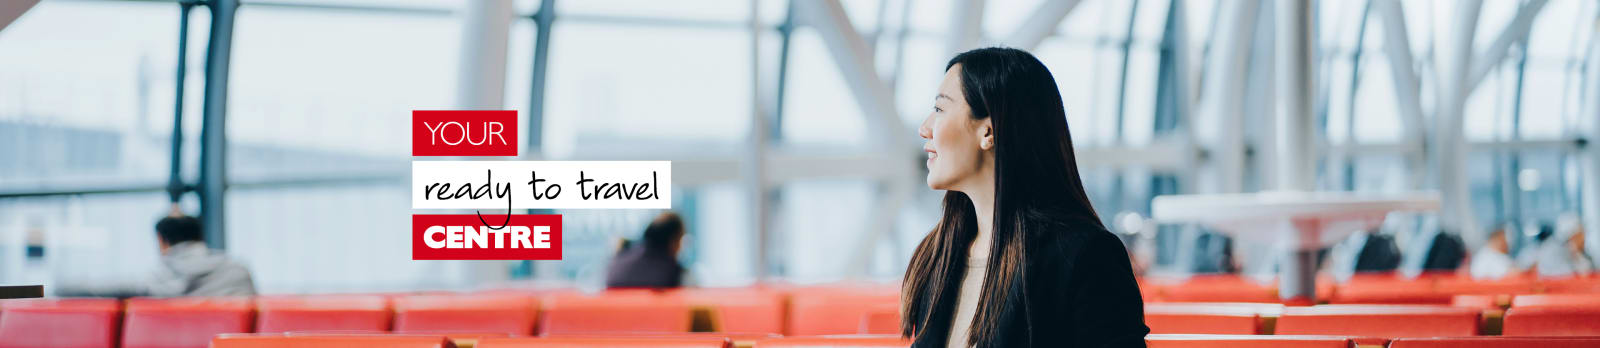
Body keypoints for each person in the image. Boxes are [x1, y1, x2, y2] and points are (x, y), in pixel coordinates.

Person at [902, 47, 1148, 348]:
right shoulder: (938, 255)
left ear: (988, 131)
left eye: (939, 109)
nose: (924, 128)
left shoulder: (1085, 256)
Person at [58, 214, 256, 297]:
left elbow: (103, 289)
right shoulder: (239, 271)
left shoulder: (160, 279)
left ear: (162, 242)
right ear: (200, 237)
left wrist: (58, 287)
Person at [605, 212, 687, 288]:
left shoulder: (619, 261)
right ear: (673, 241)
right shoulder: (672, 271)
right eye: (680, 239)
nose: (681, 247)